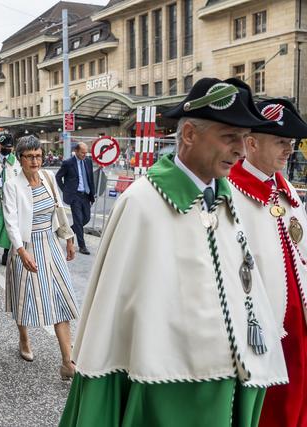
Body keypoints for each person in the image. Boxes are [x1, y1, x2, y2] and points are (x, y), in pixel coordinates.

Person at [60, 78, 288, 426]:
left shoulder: (227, 200)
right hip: (164, 388)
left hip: (229, 382)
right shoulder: (141, 204)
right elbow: (112, 321)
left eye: (244, 138)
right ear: (190, 135)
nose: (241, 150)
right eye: (229, 137)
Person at [228, 97, 307, 427]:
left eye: (291, 142)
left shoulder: (284, 186)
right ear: (251, 143)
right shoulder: (230, 190)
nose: (289, 150)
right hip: (263, 326)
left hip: (297, 321)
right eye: (280, 142)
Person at [2, 135, 78, 379]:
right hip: (26, 245)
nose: (35, 160)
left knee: (61, 298)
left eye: (38, 156)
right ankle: (24, 338)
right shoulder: (12, 184)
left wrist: (68, 237)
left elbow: (59, 209)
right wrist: (21, 250)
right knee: (23, 296)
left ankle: (67, 362)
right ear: (20, 158)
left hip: (50, 243)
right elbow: (11, 221)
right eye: (29, 156)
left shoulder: (48, 177)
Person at [55, 142, 103, 255]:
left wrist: (92, 194)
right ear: (76, 151)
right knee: (78, 220)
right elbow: (58, 177)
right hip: (75, 196)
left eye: (86, 152)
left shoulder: (88, 161)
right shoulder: (68, 163)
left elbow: (90, 178)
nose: (84, 155)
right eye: (82, 152)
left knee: (85, 219)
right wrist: (65, 190)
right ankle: (82, 246)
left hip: (86, 195)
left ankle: (69, 234)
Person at [0, 134, 21, 265]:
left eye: (9, 147)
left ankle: (5, 253)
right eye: (4, 147)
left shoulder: (16, 162)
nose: (7, 149)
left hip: (9, 200)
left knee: (8, 226)